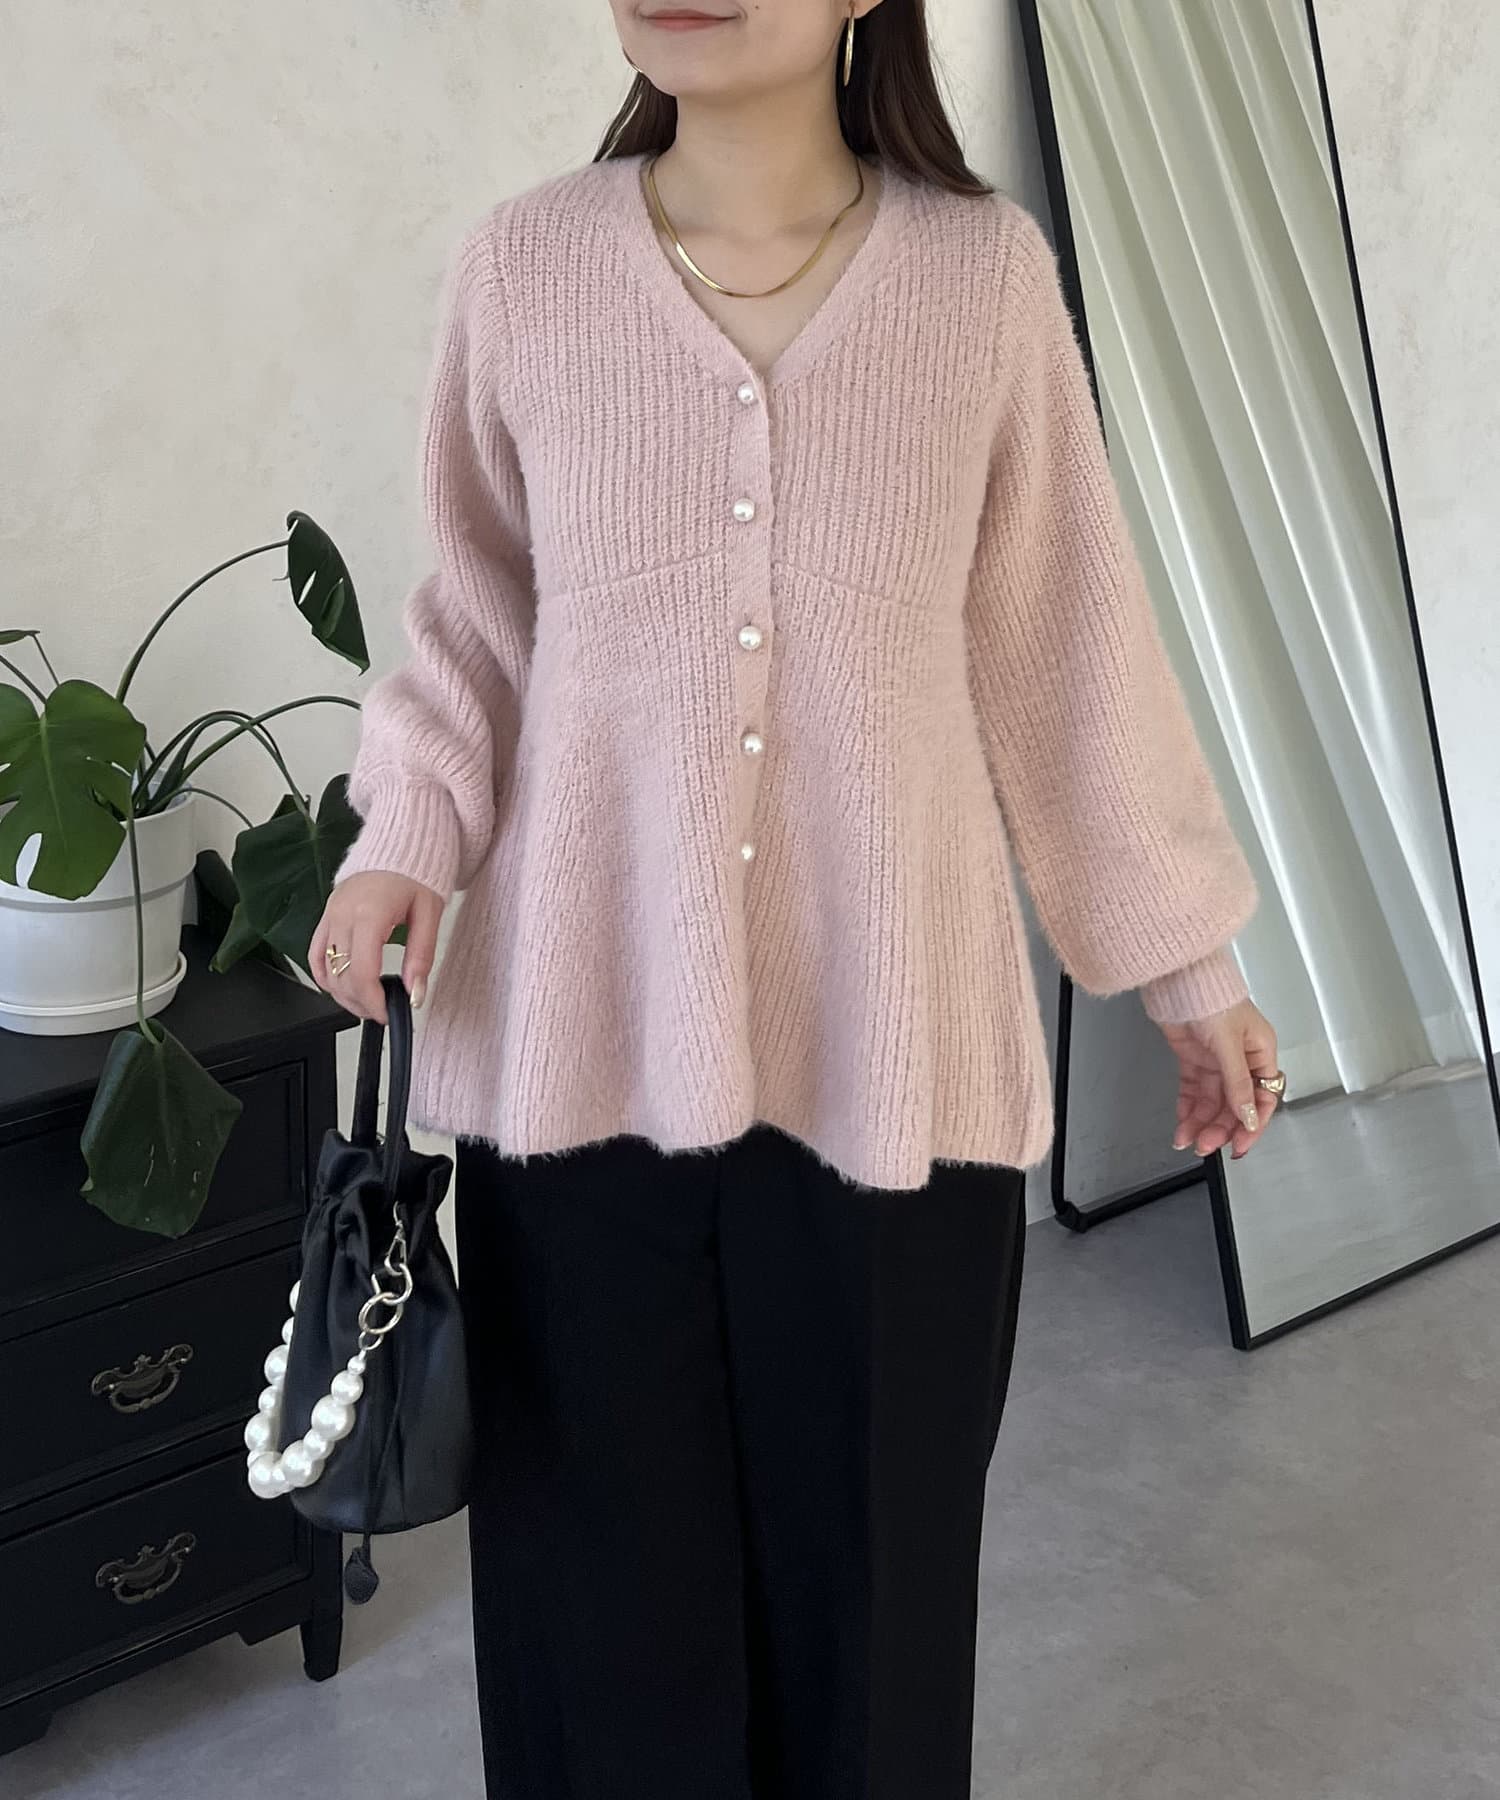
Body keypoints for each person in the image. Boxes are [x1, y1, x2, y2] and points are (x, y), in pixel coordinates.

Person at [310, 2, 1282, 1794]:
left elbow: (1069, 644)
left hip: (891, 1072)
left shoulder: (982, 283)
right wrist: (405, 836)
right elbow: (476, 614)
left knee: (875, 1623)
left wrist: (1188, 968)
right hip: (582, 1056)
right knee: (601, 1623)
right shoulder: (526, 269)